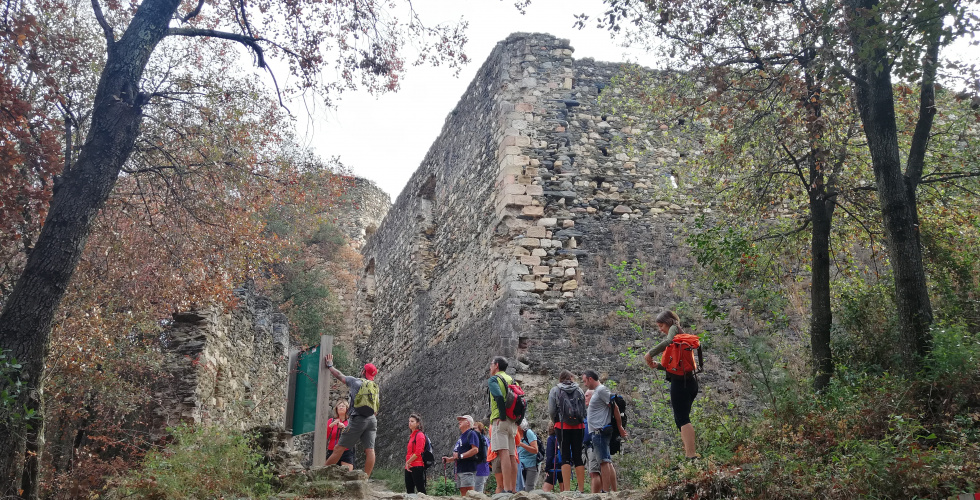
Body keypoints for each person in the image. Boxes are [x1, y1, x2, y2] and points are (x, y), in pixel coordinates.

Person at [643, 310, 700, 460]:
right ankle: (689, 454)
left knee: (682, 419)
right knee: (681, 419)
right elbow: (677, 365)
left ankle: (691, 456)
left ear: (669, 321)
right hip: (689, 382)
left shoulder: (674, 329)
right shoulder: (680, 339)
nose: (660, 329)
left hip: (681, 384)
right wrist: (658, 366)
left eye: (661, 325)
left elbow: (667, 341)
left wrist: (650, 353)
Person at [324, 354, 380, 477]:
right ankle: (365, 479)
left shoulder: (356, 382)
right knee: (370, 450)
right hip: (372, 420)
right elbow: (376, 409)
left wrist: (330, 365)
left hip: (358, 419)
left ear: (363, 371)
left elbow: (339, 375)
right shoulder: (375, 387)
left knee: (339, 447)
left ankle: (321, 474)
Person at [582, 370, 627, 492]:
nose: (585, 384)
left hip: (600, 431)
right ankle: (612, 491)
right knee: (607, 460)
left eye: (585, 381)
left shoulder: (601, 390)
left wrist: (620, 426)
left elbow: (615, 407)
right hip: (598, 431)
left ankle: (605, 492)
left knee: (604, 461)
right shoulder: (599, 391)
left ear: (590, 379)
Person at [548, 369, 587, 492]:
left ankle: (567, 490)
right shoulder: (579, 390)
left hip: (562, 426)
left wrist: (556, 423)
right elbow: (584, 409)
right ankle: (581, 489)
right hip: (579, 426)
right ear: (570, 378)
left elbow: (552, 410)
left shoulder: (555, 390)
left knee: (565, 456)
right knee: (578, 457)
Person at [488, 356, 519, 493]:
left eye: (491, 364)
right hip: (513, 422)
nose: (490, 367)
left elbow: (499, 397)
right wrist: (517, 420)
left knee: (504, 454)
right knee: (512, 455)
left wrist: (501, 416)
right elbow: (522, 400)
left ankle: (506, 489)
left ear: (496, 365)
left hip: (500, 421)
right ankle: (513, 488)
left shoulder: (494, 379)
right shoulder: (513, 380)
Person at [442, 415, 482, 496]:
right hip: (460, 469)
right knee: (463, 493)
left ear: (468, 423)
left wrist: (461, 456)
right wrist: (449, 459)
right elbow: (459, 454)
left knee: (470, 493)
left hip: (468, 468)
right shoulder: (462, 436)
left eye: (462, 420)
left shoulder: (471, 433)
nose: (459, 421)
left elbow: (475, 450)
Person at [325, 400, 355, 470]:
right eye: (339, 406)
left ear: (347, 409)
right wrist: (331, 426)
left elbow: (353, 436)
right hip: (332, 450)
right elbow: (325, 436)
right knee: (329, 473)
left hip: (346, 451)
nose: (341, 407)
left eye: (343, 406)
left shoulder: (350, 422)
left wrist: (344, 428)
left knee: (348, 473)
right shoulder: (331, 421)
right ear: (336, 409)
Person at [583, 389, 602, 493]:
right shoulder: (590, 410)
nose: (584, 398)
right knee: (593, 472)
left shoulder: (595, 409)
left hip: (593, 445)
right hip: (588, 446)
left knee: (595, 472)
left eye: (586, 396)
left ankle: (594, 496)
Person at [404, 413, 427, 494]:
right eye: (409, 421)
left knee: (420, 489)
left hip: (417, 465)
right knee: (409, 490)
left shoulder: (420, 435)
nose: (410, 423)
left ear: (418, 423)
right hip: (409, 465)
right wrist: (408, 463)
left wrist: (408, 461)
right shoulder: (412, 436)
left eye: (412, 421)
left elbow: (418, 452)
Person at [517, 419, 540, 491]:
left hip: (532, 464)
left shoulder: (528, 433)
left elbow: (535, 450)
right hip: (521, 465)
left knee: (529, 487)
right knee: (520, 488)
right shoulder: (516, 435)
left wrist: (522, 444)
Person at [542, 422, 563, 492]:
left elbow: (549, 455)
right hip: (564, 467)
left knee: (545, 491)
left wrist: (547, 469)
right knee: (564, 491)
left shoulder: (551, 439)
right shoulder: (564, 438)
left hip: (553, 467)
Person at [474, 421, 491, 494]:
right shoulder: (484, 439)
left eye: (475, 428)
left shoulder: (483, 440)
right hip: (481, 468)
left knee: (478, 491)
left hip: (482, 468)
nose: (473, 430)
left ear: (480, 429)